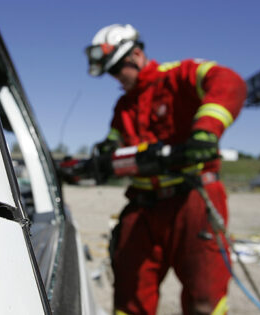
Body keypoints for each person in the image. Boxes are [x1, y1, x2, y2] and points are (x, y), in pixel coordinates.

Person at [85, 24, 247, 315]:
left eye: (117, 69)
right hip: (143, 209)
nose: (116, 79)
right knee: (129, 300)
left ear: (136, 54)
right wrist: (102, 156)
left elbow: (230, 81)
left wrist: (207, 129)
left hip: (193, 202)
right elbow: (114, 143)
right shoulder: (123, 105)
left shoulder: (178, 76)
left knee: (205, 301)